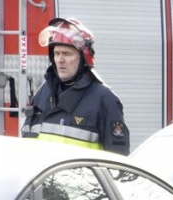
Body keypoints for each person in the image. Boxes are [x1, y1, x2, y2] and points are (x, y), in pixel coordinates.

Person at [22, 17, 129, 155]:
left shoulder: (105, 100)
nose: (60, 60)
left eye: (67, 54)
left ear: (84, 58)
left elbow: (118, 158)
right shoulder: (43, 93)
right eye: (56, 53)